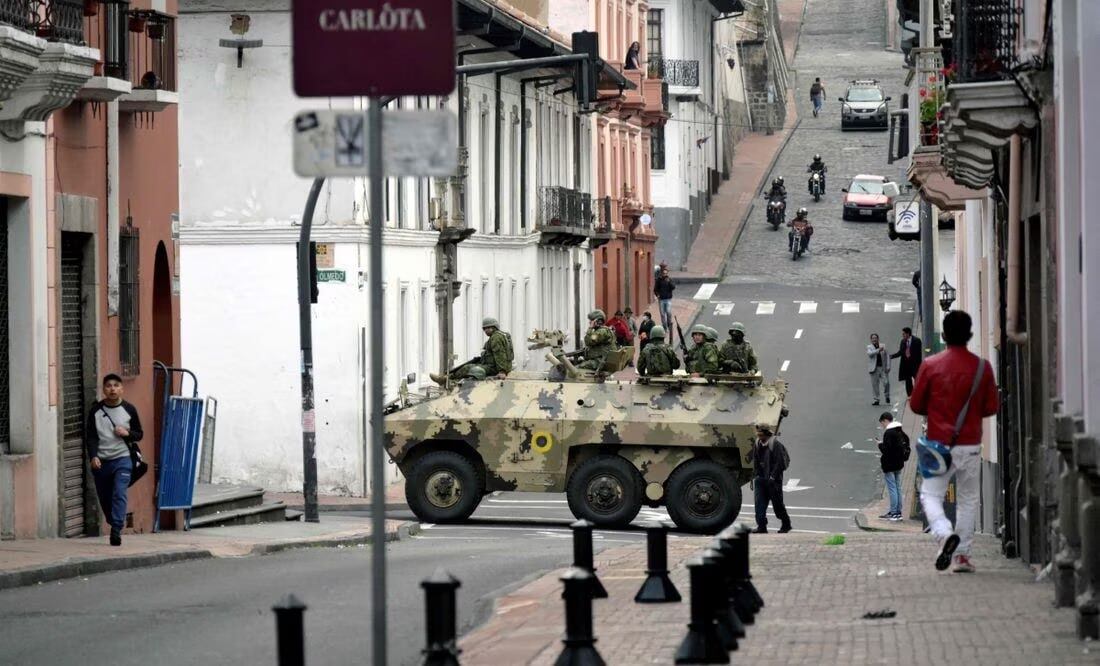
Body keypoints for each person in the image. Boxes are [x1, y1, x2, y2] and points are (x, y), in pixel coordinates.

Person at [910, 310, 998, 573]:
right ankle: (961, 556)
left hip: (939, 444)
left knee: (930, 494)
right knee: (969, 498)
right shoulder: (982, 367)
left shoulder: (931, 365)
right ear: (970, 335)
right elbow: (991, 407)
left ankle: (943, 532)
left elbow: (915, 405)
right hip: (970, 444)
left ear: (945, 335)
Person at [85, 374, 143, 546]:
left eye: (116, 385)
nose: (112, 389)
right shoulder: (96, 411)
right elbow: (92, 437)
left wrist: (127, 433)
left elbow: (139, 434)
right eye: (108, 385)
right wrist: (93, 456)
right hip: (102, 461)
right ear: (103, 389)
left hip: (123, 459)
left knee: (119, 492)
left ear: (121, 389)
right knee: (104, 497)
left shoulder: (129, 409)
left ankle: (116, 529)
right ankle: (113, 520)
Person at [431, 317, 513, 383]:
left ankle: (446, 379)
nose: (485, 331)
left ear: (493, 327)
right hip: (495, 365)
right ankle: (446, 377)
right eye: (484, 329)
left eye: (487, 328)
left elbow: (499, 354)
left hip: (494, 368)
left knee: (467, 367)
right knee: (472, 363)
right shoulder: (500, 335)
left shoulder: (496, 338)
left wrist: (502, 371)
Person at [748, 424, 792, 534]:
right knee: (759, 505)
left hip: (773, 480)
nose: (759, 436)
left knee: (778, 504)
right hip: (761, 479)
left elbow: (780, 463)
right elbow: (756, 461)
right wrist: (756, 475)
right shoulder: (758, 443)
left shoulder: (775, 444)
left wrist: (773, 477)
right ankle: (761, 526)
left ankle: (786, 524)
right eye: (758, 433)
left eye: (761, 434)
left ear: (767, 434)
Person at [877, 412, 910, 521]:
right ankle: (898, 511)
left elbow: (886, 450)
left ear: (885, 420)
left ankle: (894, 512)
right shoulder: (899, 431)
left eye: (882, 423)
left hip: (890, 464)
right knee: (898, 487)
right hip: (899, 463)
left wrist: (880, 444)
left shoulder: (889, 433)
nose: (882, 426)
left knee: (892, 488)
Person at [890, 327, 924, 397]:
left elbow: (919, 354)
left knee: (918, 380)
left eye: (903, 334)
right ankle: (910, 396)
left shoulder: (917, 341)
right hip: (906, 365)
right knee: (908, 382)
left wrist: (919, 365)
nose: (902, 335)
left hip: (915, 365)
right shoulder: (903, 341)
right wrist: (891, 356)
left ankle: (919, 395)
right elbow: (901, 352)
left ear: (908, 334)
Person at [867, 333, 891, 406]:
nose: (874, 339)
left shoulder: (883, 346)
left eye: (875, 338)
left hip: (882, 368)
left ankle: (887, 396)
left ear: (878, 339)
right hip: (874, 369)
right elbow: (870, 354)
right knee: (875, 385)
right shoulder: (869, 347)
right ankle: (876, 399)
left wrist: (888, 366)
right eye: (873, 338)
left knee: (886, 383)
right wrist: (878, 350)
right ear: (871, 339)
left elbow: (887, 356)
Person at [654, 266, 675, 333]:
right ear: (661, 273)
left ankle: (669, 325)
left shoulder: (669, 279)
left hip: (668, 299)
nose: (664, 274)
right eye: (663, 273)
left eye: (666, 273)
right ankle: (664, 327)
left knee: (668, 313)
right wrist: (657, 295)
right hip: (661, 300)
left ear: (667, 274)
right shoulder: (659, 280)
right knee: (662, 314)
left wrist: (669, 282)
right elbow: (655, 289)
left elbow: (673, 287)